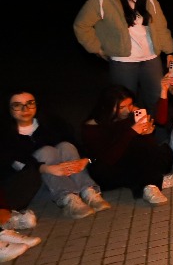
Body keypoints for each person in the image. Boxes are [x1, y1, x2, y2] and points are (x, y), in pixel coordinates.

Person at [74, 0, 173, 111]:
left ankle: (159, 134)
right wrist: (97, 49)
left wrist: (169, 51)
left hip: (151, 59)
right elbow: (81, 25)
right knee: (125, 104)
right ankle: (130, 133)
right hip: (123, 62)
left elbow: (160, 25)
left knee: (158, 99)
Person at [3, 90, 109, 220]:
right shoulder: (6, 135)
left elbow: (78, 145)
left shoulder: (51, 123)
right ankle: (68, 199)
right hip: (35, 185)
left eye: (30, 103)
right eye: (17, 105)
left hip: (66, 178)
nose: (25, 109)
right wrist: (45, 168)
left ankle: (88, 191)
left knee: (66, 146)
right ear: (9, 109)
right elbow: (17, 163)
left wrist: (86, 160)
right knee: (46, 151)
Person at [81, 86, 173, 206]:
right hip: (109, 170)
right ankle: (152, 184)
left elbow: (148, 150)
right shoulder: (91, 127)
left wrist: (147, 134)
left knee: (164, 152)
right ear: (107, 107)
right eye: (121, 107)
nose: (127, 110)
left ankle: (151, 183)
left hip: (133, 165)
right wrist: (132, 131)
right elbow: (109, 158)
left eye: (130, 105)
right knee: (137, 149)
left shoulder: (129, 117)